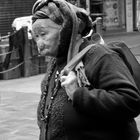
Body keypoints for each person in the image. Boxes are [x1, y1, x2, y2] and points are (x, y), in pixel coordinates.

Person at [32, 0, 140, 140]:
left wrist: (79, 94)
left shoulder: (99, 56)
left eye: (43, 34)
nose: (39, 43)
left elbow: (130, 101)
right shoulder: (56, 61)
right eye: (36, 37)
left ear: (66, 29)